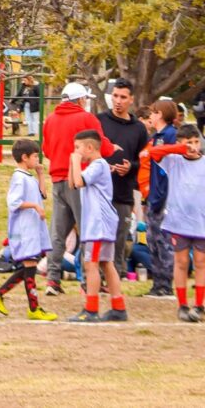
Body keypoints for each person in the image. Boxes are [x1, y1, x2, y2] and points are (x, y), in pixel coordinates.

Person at [42, 82, 116, 296]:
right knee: (88, 229)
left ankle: (52, 279)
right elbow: (101, 145)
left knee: (58, 232)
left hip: (58, 178)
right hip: (80, 179)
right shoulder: (86, 118)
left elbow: (46, 150)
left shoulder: (50, 119)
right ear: (81, 100)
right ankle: (88, 280)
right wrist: (112, 149)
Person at [0, 140, 57, 320]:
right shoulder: (18, 178)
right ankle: (33, 308)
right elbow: (13, 202)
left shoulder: (29, 177)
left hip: (32, 228)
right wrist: (35, 206)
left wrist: (40, 174)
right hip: (24, 229)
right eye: (35, 156)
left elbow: (43, 194)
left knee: (29, 267)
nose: (37, 159)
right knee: (30, 266)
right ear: (25, 157)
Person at [147, 124, 205, 321]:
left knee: (201, 262)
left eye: (196, 142)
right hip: (178, 222)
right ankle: (182, 305)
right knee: (181, 262)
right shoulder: (173, 161)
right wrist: (179, 149)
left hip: (201, 223)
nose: (193, 146)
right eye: (189, 142)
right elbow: (153, 152)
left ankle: (199, 305)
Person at [68, 130, 127, 322]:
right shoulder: (95, 166)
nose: (76, 151)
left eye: (78, 147)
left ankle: (91, 309)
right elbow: (72, 184)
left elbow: (79, 182)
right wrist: (72, 162)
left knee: (90, 264)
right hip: (100, 223)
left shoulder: (99, 165)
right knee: (106, 263)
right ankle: (118, 307)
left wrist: (76, 161)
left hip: (98, 223)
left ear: (90, 147)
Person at [96, 78, 149, 277]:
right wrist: (102, 165)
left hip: (123, 192)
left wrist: (130, 167)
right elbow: (88, 151)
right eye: (115, 96)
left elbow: (144, 161)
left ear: (131, 99)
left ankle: (116, 278)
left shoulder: (139, 128)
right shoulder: (100, 121)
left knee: (119, 239)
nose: (118, 101)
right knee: (97, 238)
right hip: (99, 191)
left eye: (123, 97)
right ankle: (93, 278)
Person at [142, 99, 178, 297]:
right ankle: (157, 283)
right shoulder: (156, 137)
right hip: (154, 193)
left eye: (154, 112)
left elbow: (168, 169)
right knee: (152, 240)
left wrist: (161, 195)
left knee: (163, 241)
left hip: (165, 195)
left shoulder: (170, 135)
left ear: (161, 114)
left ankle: (166, 284)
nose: (151, 116)